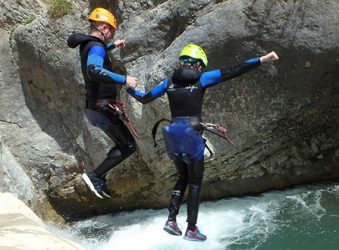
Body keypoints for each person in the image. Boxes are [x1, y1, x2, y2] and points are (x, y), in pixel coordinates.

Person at [127, 44, 279, 241]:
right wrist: (262, 59)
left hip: (172, 133)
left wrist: (129, 89)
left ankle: (171, 221)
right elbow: (233, 71)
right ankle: (191, 228)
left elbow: (144, 98)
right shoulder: (202, 78)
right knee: (196, 182)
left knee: (182, 177)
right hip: (191, 134)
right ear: (199, 64)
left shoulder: (168, 82)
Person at [67, 8, 138, 199]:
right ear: (104, 27)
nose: (111, 36)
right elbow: (94, 70)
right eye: (112, 33)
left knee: (124, 144)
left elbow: (96, 56)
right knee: (129, 146)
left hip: (95, 108)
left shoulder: (90, 44)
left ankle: (98, 177)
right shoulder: (96, 47)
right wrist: (124, 80)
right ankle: (94, 176)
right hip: (102, 108)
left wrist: (112, 46)